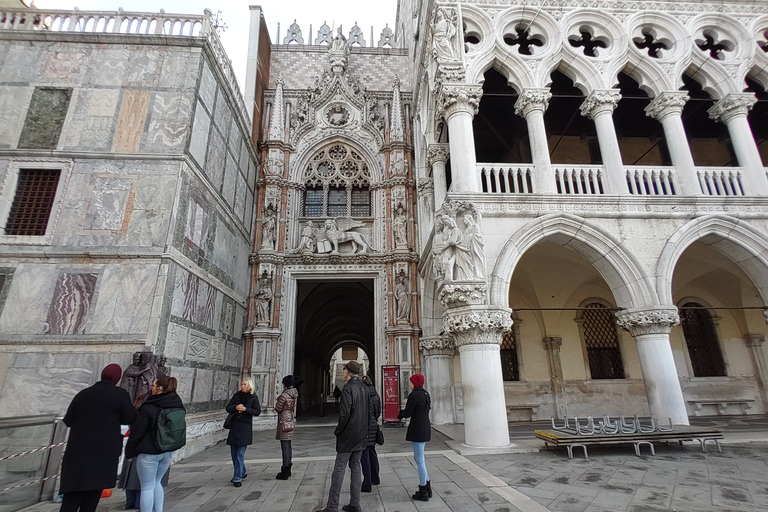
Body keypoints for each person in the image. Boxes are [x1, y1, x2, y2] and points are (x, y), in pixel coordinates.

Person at [59, 364, 136, 512]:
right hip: (102, 454)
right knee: (92, 497)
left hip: (77, 452)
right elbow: (129, 417)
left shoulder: (83, 394)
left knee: (71, 497)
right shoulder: (119, 395)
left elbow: (68, 420)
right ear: (118, 378)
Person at [125, 375, 185, 512]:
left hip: (149, 452)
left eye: (153, 386)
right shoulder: (177, 403)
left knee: (146, 487)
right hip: (168, 451)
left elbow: (137, 432)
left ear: (159, 389)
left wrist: (129, 451)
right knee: (157, 483)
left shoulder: (150, 406)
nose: (151, 388)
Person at [316, 361, 368, 512]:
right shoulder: (364, 388)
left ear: (347, 372)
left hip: (348, 435)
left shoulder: (348, 389)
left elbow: (344, 414)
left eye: (345, 369)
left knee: (339, 468)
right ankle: (355, 503)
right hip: (361, 434)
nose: (344, 371)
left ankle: (332, 506)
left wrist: (339, 430)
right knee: (356, 467)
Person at [398, 374, 432, 502]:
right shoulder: (426, 394)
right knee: (420, 458)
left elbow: (408, 412)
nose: (410, 384)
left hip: (417, 429)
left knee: (419, 460)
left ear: (414, 383)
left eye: (411, 382)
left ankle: (423, 490)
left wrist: (400, 415)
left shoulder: (413, 396)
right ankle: (427, 486)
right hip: (425, 427)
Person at [225, 378, 261, 487]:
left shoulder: (253, 397)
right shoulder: (237, 396)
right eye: (242, 384)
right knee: (234, 454)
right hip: (235, 427)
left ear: (249, 386)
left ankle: (237, 478)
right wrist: (236, 407)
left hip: (245, 428)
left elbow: (257, 411)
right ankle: (243, 472)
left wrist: (245, 409)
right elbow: (228, 408)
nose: (242, 386)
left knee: (240, 454)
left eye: (245, 384)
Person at [275, 375, 300, 480]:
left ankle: (285, 470)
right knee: (288, 445)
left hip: (284, 420)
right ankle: (288, 466)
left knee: (284, 445)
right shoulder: (294, 394)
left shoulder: (284, 396)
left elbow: (277, 408)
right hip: (290, 418)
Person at [360, 375, 381, 493]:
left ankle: (367, 483)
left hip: (365, 427)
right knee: (372, 452)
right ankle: (375, 477)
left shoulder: (363, 395)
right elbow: (378, 412)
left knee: (364, 454)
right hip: (374, 425)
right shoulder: (376, 395)